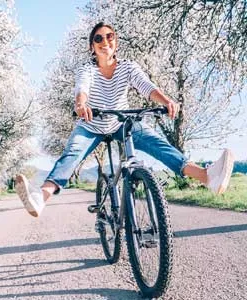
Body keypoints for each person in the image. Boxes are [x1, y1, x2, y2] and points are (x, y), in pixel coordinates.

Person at [15, 22, 235, 217]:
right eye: (98, 38)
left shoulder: (128, 67)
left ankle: (207, 177)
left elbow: (146, 86)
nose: (104, 41)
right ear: (92, 47)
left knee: (159, 144)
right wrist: (81, 105)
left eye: (109, 37)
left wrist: (166, 101)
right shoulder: (87, 69)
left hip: (122, 122)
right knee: (71, 154)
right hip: (92, 125)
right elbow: (82, 89)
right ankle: (40, 198)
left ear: (116, 43)